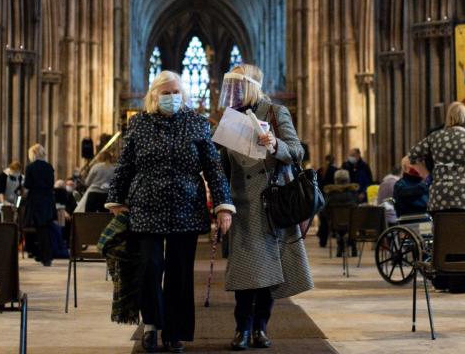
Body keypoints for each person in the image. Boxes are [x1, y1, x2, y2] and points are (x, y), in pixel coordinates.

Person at [106, 70, 234, 354]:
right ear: (154, 96)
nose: (172, 97)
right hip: (146, 206)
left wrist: (224, 206)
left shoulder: (198, 124)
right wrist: (115, 198)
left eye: (176, 92)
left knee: (180, 272)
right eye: (166, 93)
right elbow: (125, 164)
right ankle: (151, 325)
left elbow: (213, 166)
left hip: (186, 206)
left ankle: (175, 331)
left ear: (184, 95)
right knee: (150, 267)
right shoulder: (139, 124)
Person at [216, 65, 313, 351]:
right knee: (246, 274)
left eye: (236, 86)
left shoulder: (275, 111)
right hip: (242, 205)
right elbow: (222, 165)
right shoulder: (230, 117)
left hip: (271, 203)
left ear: (250, 86)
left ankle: (260, 327)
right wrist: (221, 202)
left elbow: (297, 152)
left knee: (268, 272)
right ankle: (242, 329)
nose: (232, 92)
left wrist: (274, 144)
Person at [409, 102, 465, 293]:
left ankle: (442, 278)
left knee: (443, 237)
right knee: (464, 240)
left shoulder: (436, 137)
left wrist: (428, 176)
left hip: (440, 197)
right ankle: (459, 282)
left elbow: (412, 157)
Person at [23, 143, 56, 266]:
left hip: (36, 200)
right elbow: (51, 183)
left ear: (33, 154)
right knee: (45, 229)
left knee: (38, 229)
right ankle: (46, 256)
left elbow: (27, 185)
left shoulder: (31, 167)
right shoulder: (49, 167)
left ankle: (42, 255)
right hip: (47, 200)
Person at [323, 169, 359, 257]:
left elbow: (325, 209)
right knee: (352, 221)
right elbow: (356, 207)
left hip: (336, 223)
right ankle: (353, 246)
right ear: (348, 180)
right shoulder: (352, 193)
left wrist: (329, 218)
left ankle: (340, 245)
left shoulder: (331, 194)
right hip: (351, 223)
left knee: (340, 223)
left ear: (335, 180)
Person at [77, 147, 116, 212]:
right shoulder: (113, 168)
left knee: (89, 215)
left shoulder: (96, 167)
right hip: (106, 194)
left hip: (94, 193)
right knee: (104, 216)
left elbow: (87, 182)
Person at [316, 154, 339, 246]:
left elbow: (317, 184)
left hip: (321, 196)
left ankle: (322, 241)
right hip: (332, 197)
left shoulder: (321, 170)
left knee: (323, 219)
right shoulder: (335, 171)